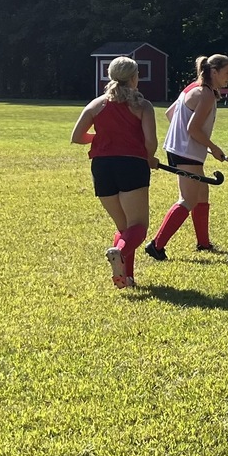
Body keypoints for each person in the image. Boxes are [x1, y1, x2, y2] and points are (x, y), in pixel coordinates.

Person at [69, 56, 159, 288]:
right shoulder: (142, 105)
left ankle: (125, 278)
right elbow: (151, 141)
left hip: (101, 167)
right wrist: (150, 159)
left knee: (124, 229)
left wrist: (102, 138)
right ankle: (119, 254)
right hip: (131, 165)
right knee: (138, 227)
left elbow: (77, 137)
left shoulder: (96, 104)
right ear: (133, 78)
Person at [144, 54, 228, 261]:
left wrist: (199, 143)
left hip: (181, 149)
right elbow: (192, 128)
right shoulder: (206, 95)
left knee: (202, 193)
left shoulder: (192, 88)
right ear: (214, 72)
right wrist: (212, 146)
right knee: (188, 199)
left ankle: (203, 243)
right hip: (186, 153)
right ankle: (156, 245)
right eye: (227, 73)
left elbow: (170, 113)